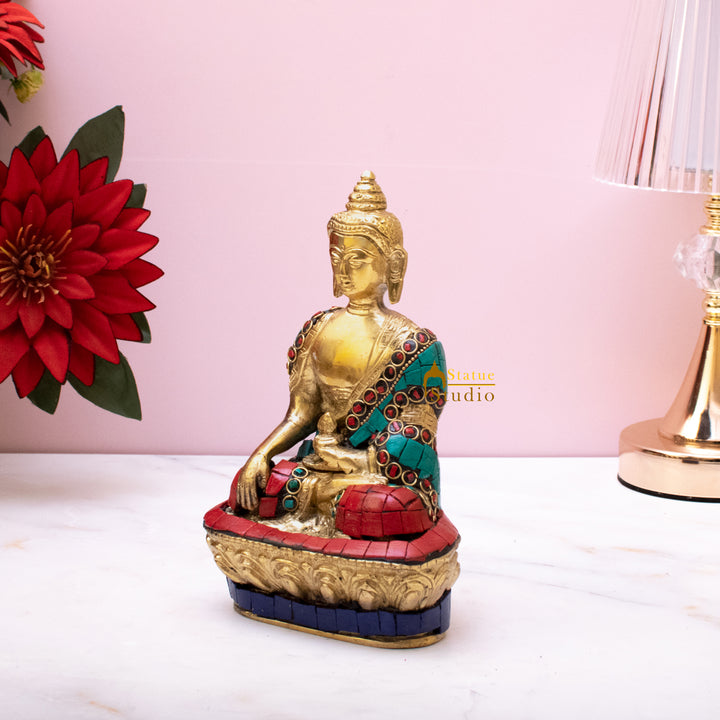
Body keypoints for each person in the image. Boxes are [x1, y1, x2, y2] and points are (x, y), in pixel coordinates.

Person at [231, 171, 446, 532]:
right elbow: (301, 414)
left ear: (393, 264)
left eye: (357, 259)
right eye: (336, 256)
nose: (344, 270)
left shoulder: (418, 346)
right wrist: (261, 454)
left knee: (387, 508)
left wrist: (348, 458)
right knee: (249, 486)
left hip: (381, 476)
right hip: (322, 464)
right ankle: (324, 501)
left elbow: (415, 441)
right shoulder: (319, 328)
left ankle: (325, 502)